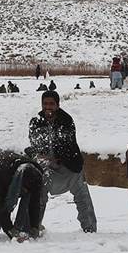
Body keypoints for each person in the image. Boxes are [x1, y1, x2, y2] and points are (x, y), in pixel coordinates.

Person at [20, 91, 97, 233]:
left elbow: (69, 146)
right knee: (39, 191)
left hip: (69, 167)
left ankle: (90, 229)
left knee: (83, 197)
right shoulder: (36, 121)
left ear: (57, 105)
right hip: (48, 169)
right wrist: (41, 156)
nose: (48, 107)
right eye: (45, 104)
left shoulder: (66, 120)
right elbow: (35, 144)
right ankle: (33, 227)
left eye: (51, 104)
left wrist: (55, 158)